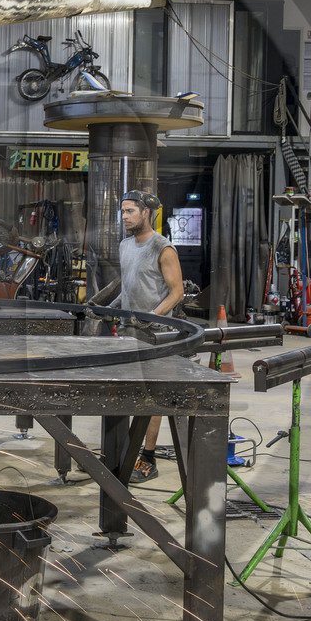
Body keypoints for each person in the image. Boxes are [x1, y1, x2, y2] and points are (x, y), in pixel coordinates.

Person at [116, 191, 184, 482]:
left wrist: (151, 317)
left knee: (152, 396)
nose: (124, 216)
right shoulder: (124, 245)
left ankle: (148, 457)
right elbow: (128, 287)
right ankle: (124, 450)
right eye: (122, 211)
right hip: (129, 332)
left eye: (130, 211)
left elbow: (177, 291)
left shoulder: (162, 247)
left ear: (146, 213)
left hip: (156, 334)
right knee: (127, 392)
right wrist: (106, 309)